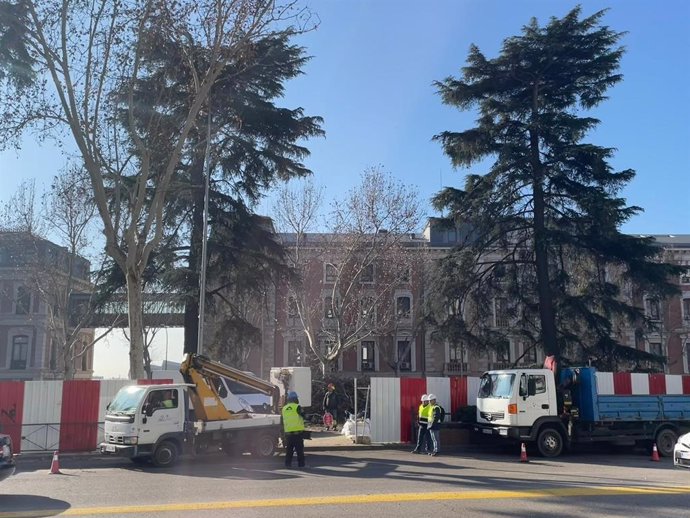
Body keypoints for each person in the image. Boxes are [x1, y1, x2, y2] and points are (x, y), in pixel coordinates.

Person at [281, 391, 306, 468]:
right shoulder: (297, 407)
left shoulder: (284, 408)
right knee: (299, 451)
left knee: (289, 451)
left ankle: (287, 464)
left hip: (288, 434)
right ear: (295, 399)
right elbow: (304, 416)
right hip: (297, 434)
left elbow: (282, 421)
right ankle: (301, 465)